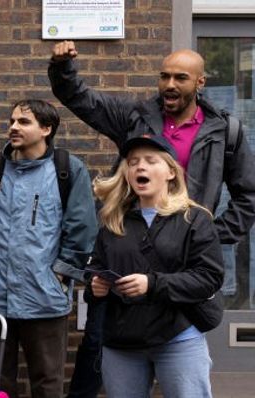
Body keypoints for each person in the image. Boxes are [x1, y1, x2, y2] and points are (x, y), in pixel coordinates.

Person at [49, 42, 255, 397]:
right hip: (130, 244)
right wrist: (63, 67)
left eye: (180, 77)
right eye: (164, 76)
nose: (169, 84)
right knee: (98, 350)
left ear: (200, 82)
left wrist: (209, 233)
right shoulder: (136, 116)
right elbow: (81, 99)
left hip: (181, 255)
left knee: (179, 351)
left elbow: (247, 195)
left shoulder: (225, 130)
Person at [0, 99, 96, 398]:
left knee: (47, 382)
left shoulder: (68, 169)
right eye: (12, 121)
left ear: (46, 129)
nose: (13, 127)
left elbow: (82, 228)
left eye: (23, 122)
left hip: (43, 295)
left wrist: (60, 275)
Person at [88, 134, 222, 398]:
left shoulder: (194, 219)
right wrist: (96, 288)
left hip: (178, 337)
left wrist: (152, 283)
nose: (140, 167)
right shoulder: (113, 221)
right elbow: (97, 269)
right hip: (122, 342)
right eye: (133, 162)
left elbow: (209, 277)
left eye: (151, 161)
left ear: (171, 172)